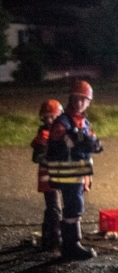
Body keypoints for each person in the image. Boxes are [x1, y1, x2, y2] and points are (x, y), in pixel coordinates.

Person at [46, 80, 103, 260]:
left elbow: (92, 144)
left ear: (88, 102)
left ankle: (71, 244)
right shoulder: (62, 122)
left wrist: (92, 144)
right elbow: (54, 148)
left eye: (83, 99)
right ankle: (71, 246)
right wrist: (72, 143)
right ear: (71, 99)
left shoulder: (83, 122)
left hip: (77, 174)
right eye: (76, 99)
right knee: (74, 207)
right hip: (67, 175)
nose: (79, 103)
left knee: (74, 207)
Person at [30, 99, 64, 250]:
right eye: (47, 117)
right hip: (48, 178)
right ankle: (55, 239)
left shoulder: (59, 132)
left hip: (57, 176)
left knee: (53, 208)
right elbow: (36, 157)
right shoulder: (43, 135)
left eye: (53, 117)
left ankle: (48, 236)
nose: (50, 120)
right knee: (54, 208)